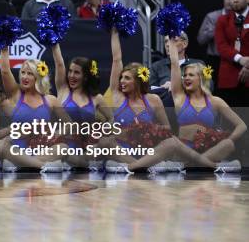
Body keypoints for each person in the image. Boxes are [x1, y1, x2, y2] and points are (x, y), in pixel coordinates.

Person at [0, 46, 71, 172]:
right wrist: (4, 47)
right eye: (23, 73)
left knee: (63, 147)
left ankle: (21, 163)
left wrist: (54, 133)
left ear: (38, 77)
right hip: (18, 148)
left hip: (41, 149)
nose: (25, 77)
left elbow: (69, 125)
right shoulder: (16, 94)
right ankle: (41, 166)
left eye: (30, 74)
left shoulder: (51, 100)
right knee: (2, 145)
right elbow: (5, 71)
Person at [103, 27, 179, 173]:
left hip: (147, 150)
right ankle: (141, 166)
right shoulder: (117, 96)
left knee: (172, 142)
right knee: (106, 142)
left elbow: (167, 129)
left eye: (127, 78)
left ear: (138, 81)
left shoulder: (153, 99)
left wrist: (147, 130)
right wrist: (114, 32)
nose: (122, 81)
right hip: (124, 151)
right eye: (121, 78)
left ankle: (132, 167)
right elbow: (116, 59)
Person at [167, 37, 246, 172]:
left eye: (191, 75)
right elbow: (175, 64)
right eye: (185, 75)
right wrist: (172, 40)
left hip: (208, 150)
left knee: (228, 144)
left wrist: (223, 141)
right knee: (172, 141)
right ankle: (210, 165)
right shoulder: (180, 98)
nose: (186, 78)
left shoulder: (215, 101)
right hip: (184, 150)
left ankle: (190, 165)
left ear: (201, 78)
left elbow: (242, 126)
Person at [51, 43, 113, 168]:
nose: (71, 76)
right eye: (70, 71)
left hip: (87, 151)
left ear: (85, 76)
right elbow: (59, 63)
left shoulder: (97, 98)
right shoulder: (63, 90)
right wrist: (54, 43)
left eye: (77, 73)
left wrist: (101, 131)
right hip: (64, 148)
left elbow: (112, 119)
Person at [214, 0, 249, 107]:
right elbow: (221, 46)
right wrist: (241, 59)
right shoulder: (222, 20)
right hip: (229, 76)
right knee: (230, 120)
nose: (235, 0)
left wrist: (247, 64)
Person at [197, 0, 231, 90]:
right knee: (210, 88)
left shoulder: (244, 17)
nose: (230, 1)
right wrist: (217, 29)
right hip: (214, 60)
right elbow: (200, 40)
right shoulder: (212, 17)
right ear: (223, 0)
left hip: (236, 61)